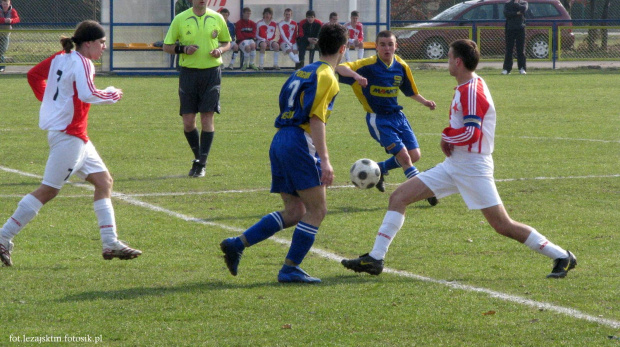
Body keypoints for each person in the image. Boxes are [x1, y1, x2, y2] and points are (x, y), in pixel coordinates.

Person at [341, 39, 577, 279]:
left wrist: (446, 136)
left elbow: (472, 132)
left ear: (458, 61)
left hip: (473, 167)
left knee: (502, 225)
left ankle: (561, 256)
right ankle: (376, 258)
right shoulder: (466, 86)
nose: (447, 62)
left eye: (449, 57)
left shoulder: (471, 90)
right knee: (398, 197)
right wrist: (450, 139)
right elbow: (465, 129)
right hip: (455, 165)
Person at [0, 20, 142, 267]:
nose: (104, 47)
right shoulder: (83, 62)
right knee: (48, 190)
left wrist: (53, 103)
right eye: (101, 42)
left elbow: (34, 75)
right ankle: (3, 237)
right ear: (88, 43)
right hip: (69, 136)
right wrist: (113, 94)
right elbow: (88, 94)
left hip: (75, 136)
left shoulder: (62, 56)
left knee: (104, 181)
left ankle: (110, 242)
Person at [220, 23, 351, 284]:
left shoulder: (302, 71)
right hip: (299, 142)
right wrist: (325, 160)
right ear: (343, 49)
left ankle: (237, 243)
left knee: (294, 211)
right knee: (317, 210)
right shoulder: (327, 77)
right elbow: (316, 119)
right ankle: (290, 268)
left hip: (281, 138)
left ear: (317, 44)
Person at [336, 30, 438, 207]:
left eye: (390, 44)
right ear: (376, 47)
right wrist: (356, 75)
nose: (387, 48)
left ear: (396, 46)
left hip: (398, 117)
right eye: (382, 44)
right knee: (405, 157)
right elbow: (340, 68)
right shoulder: (367, 65)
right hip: (379, 120)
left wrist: (425, 102)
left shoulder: (401, 66)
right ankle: (423, 191)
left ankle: (381, 169)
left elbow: (410, 91)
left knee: (414, 155)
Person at [163, 0, 231, 178]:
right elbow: (167, 47)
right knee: (188, 120)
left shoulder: (216, 17)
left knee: (207, 117)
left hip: (211, 74)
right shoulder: (180, 19)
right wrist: (183, 49)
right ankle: (198, 159)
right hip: (189, 73)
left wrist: (220, 50)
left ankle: (202, 163)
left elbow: (227, 42)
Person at [502, 0, 528, 75]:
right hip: (510, 29)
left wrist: (516, 4)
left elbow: (523, 9)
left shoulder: (524, 3)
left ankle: (522, 68)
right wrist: (517, 13)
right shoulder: (507, 4)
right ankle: (507, 69)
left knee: (521, 50)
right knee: (509, 50)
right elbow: (506, 14)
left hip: (520, 29)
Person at [235, 7, 259, 71]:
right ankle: (245, 64)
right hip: (241, 41)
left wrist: (246, 35)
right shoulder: (239, 23)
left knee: (253, 46)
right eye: (247, 13)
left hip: (250, 39)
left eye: (249, 14)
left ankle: (251, 63)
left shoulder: (252, 23)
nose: (248, 15)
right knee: (248, 47)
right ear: (243, 14)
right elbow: (239, 35)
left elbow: (253, 34)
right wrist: (248, 36)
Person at [0, 0, 19, 72]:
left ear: (9, 4)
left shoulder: (12, 11)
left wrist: (11, 20)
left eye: (6, 4)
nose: (5, 6)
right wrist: (4, 20)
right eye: (4, 4)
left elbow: (17, 19)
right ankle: (2, 66)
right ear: (1, 3)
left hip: (6, 34)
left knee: (3, 50)